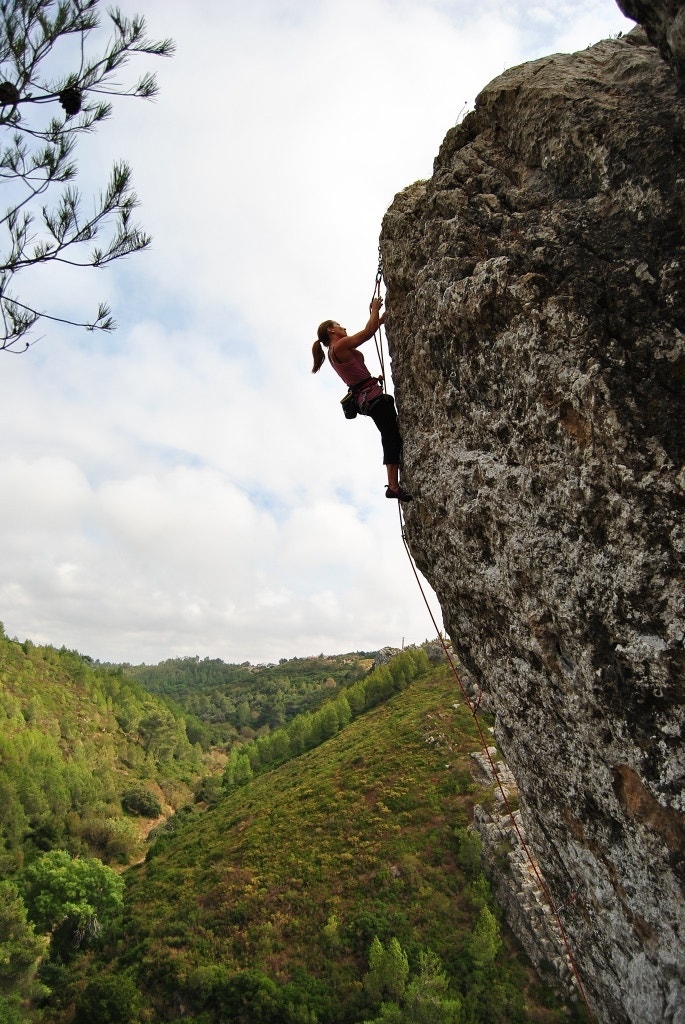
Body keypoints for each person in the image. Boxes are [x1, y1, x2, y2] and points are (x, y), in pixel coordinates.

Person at [311, 296, 412, 501]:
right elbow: (368, 333)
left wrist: (379, 319)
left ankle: (393, 485)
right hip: (372, 399)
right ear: (331, 330)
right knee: (390, 437)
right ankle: (393, 486)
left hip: (368, 396)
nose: (343, 327)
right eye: (338, 325)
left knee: (390, 435)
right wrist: (374, 310)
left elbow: (356, 371)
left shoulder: (335, 351)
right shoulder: (338, 347)